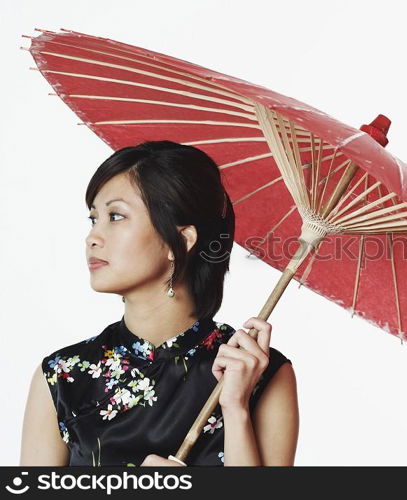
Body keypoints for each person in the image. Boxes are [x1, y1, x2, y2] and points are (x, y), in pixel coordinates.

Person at [19, 141, 299, 466]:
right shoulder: (62, 377)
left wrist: (236, 410)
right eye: (93, 218)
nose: (92, 237)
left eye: (115, 215)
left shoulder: (258, 373)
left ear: (180, 240)